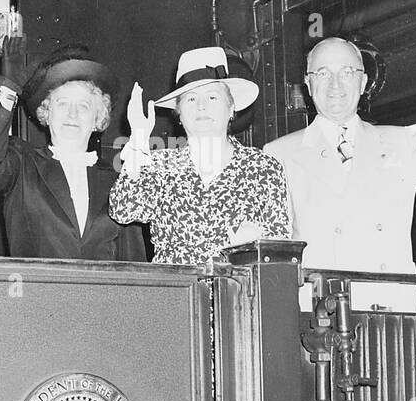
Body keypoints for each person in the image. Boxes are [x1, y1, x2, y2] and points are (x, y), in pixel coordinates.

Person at [263, 34, 416, 308]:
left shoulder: (401, 143)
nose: (335, 84)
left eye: (347, 72)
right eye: (323, 73)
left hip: (391, 311)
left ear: (363, 82)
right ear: (308, 84)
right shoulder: (278, 155)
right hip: (319, 318)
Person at [109, 46, 289, 266]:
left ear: (231, 108)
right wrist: (138, 138)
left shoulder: (263, 168)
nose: (201, 107)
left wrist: (255, 244)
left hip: (240, 295)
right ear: (179, 113)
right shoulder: (160, 165)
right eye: (191, 99)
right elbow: (123, 209)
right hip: (175, 295)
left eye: (212, 97)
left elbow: (280, 248)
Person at [0, 38, 146, 261]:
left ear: (97, 118)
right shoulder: (21, 164)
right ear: (46, 113)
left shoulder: (119, 180)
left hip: (104, 296)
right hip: (38, 295)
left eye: (83, 106)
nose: (72, 114)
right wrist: (9, 90)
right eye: (62, 103)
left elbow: (134, 264)